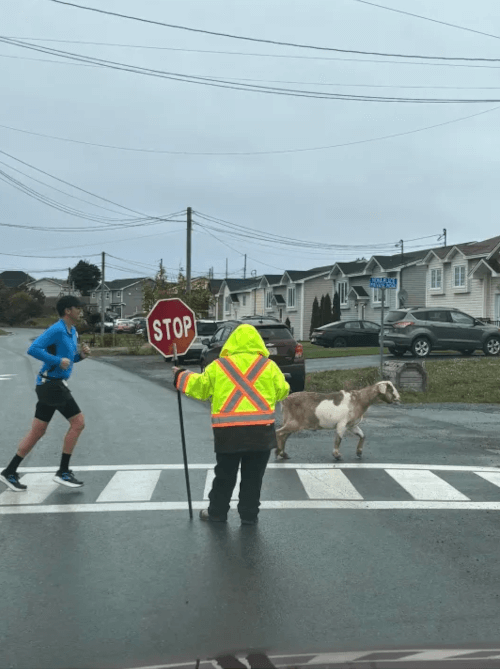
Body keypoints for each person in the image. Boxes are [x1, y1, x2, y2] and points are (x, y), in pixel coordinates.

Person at [173, 323, 290, 525]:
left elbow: (200, 388)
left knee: (224, 476)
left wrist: (180, 376)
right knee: (253, 478)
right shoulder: (268, 366)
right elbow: (282, 391)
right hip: (261, 434)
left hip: (228, 433)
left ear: (231, 343)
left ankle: (217, 513)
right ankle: (249, 515)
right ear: (258, 344)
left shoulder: (219, 366)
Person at [0, 295, 91, 492]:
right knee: (78, 423)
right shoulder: (57, 329)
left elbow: (69, 359)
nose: (80, 311)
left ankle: (10, 471)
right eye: (78, 307)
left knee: (38, 430)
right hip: (51, 385)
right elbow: (33, 349)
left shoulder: (72, 331)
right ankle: (63, 472)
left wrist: (80, 356)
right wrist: (57, 361)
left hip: (51, 384)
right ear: (68, 310)